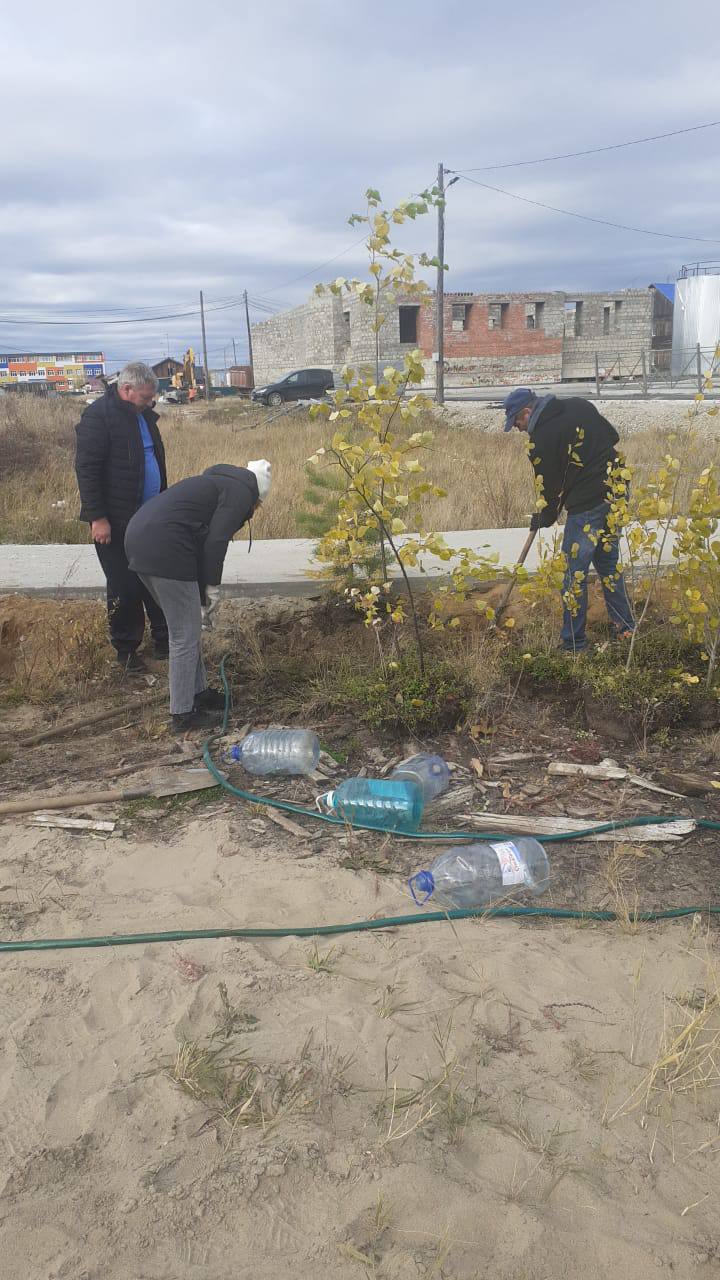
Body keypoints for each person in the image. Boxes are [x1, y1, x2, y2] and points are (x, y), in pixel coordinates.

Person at [124, 460, 272, 730]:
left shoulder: (217, 483)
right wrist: (212, 589)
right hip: (165, 548)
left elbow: (204, 542)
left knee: (187, 627)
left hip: (138, 540)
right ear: (258, 497)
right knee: (183, 634)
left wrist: (203, 596)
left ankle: (198, 693)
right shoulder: (241, 493)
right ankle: (182, 714)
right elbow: (216, 542)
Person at [503, 387, 635, 653]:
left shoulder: (540, 438)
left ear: (527, 412)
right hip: (617, 494)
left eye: (516, 422)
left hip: (588, 506)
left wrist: (545, 517)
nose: (517, 429)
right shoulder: (579, 405)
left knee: (574, 575)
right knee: (609, 566)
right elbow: (613, 436)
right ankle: (626, 630)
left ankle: (574, 644)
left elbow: (548, 486)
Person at [75, 361, 169, 672]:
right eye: (144, 396)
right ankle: (127, 652)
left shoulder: (142, 416)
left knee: (155, 580)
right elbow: (86, 471)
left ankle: (165, 641)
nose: (149, 402)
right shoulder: (99, 417)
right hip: (116, 521)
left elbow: (152, 459)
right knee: (124, 586)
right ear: (125, 389)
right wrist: (97, 518)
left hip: (150, 518)